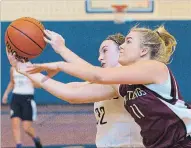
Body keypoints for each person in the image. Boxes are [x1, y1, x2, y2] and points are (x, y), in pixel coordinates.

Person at [20, 25, 191, 148]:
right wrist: (26, 68)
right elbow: (84, 82)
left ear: (143, 50)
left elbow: (97, 74)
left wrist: (59, 64)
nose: (122, 46)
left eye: (128, 41)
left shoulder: (156, 68)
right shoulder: (123, 84)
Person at [7, 33, 144, 147]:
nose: (100, 57)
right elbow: (83, 79)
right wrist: (61, 49)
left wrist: (24, 68)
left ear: (121, 51)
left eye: (105, 50)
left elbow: (71, 94)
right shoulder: (110, 81)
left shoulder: (124, 81)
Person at [2, 66, 42, 148]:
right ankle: (19, 145)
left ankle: (36, 139)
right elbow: (12, 82)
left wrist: (32, 82)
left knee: (26, 128)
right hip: (16, 98)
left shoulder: (31, 67)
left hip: (27, 98)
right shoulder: (13, 68)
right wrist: (6, 93)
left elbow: (39, 84)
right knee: (15, 124)